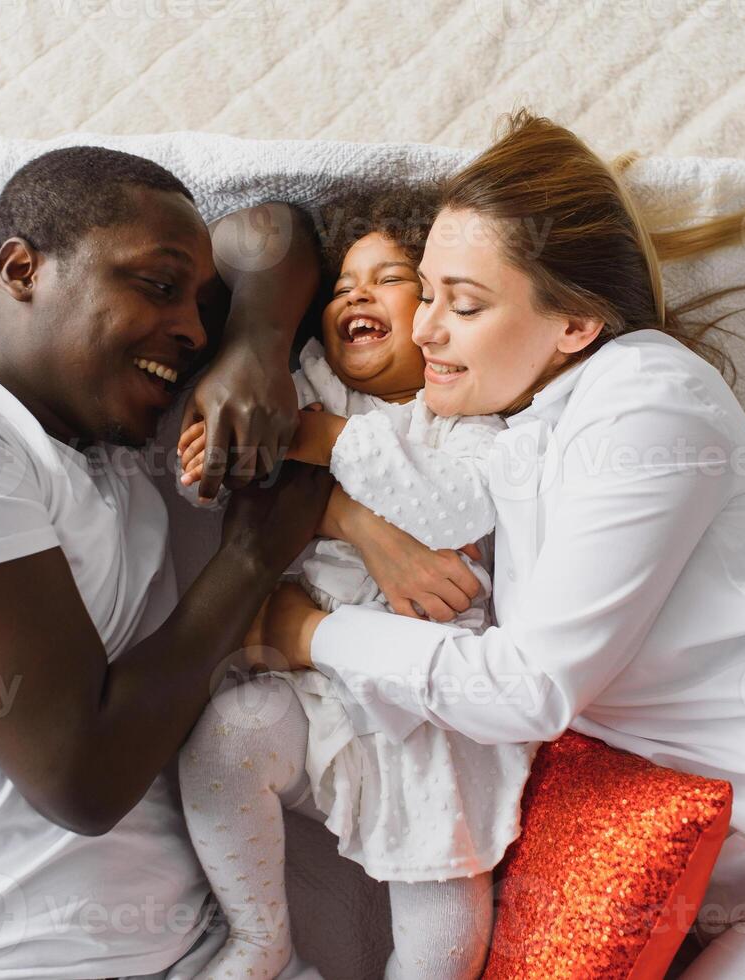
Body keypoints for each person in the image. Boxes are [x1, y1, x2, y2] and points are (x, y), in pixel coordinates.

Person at [251, 112, 745, 979]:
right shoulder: (516, 429)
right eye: (426, 293)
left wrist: (308, 634)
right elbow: (266, 251)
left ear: (575, 325)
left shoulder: (647, 402)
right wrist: (350, 519)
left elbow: (531, 687)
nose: (425, 328)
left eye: (463, 304)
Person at [0, 146, 333, 979]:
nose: (190, 328)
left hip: (200, 954)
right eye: (156, 285)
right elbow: (83, 779)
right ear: (21, 268)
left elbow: (273, 231)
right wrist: (253, 555)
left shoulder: (110, 470)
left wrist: (256, 344)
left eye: (198, 304)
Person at [173, 193, 530, 980]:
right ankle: (262, 941)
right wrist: (214, 457)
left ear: (437, 316)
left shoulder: (465, 420)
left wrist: (325, 442)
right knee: (223, 745)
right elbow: (244, 476)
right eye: (341, 288)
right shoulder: (309, 387)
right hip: (309, 691)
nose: (356, 295)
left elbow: (454, 506)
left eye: (388, 280)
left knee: (446, 943)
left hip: (423, 725)